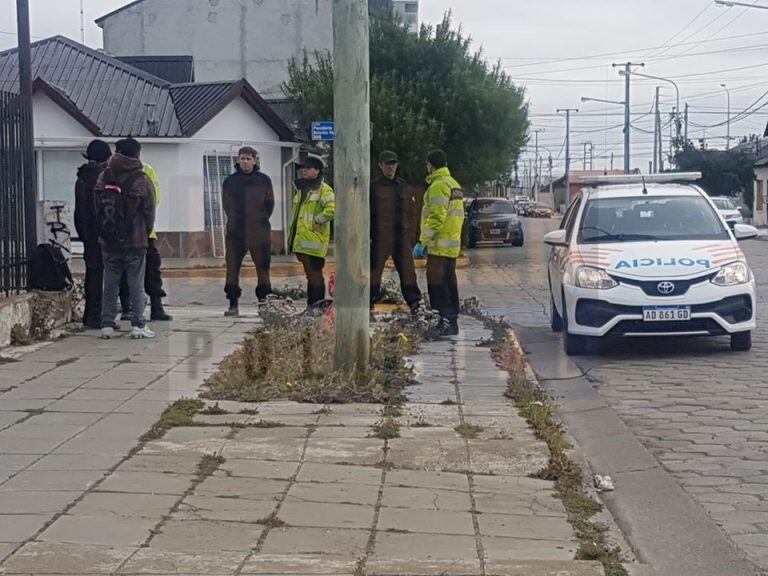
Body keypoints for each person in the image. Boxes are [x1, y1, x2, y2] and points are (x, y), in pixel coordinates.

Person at [94, 137, 156, 339]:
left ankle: (107, 324)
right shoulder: (142, 178)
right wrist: (144, 233)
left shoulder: (104, 176)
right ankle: (138, 325)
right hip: (135, 241)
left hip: (109, 240)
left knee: (110, 282)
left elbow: (97, 208)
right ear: (137, 154)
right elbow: (149, 212)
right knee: (136, 283)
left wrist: (104, 230)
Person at [116, 143, 172, 322]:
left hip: (133, 232)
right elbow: (152, 201)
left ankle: (153, 307)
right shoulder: (113, 172)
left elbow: (155, 198)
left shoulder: (145, 170)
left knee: (147, 270)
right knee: (135, 270)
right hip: (141, 231)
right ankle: (132, 308)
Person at [413, 149, 464, 336]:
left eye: (427, 165)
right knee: (449, 283)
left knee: (437, 284)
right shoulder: (454, 184)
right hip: (451, 245)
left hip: (439, 245)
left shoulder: (438, 186)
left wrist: (423, 241)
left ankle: (444, 321)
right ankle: (452, 320)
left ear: (430, 166)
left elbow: (436, 217)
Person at [222, 146, 275, 317]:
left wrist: (258, 220)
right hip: (236, 232)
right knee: (232, 268)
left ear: (254, 160)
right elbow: (226, 205)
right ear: (237, 160)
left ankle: (264, 303)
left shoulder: (264, 180)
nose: (245, 161)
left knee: (263, 268)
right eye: (242, 158)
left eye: (248, 158)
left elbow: (270, 204)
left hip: (259, 232)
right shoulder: (230, 181)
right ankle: (233, 304)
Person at [370, 150, 421, 314]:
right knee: (374, 272)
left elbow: (413, 213)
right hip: (381, 237)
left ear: (397, 165)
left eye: (393, 164)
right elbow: (368, 213)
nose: (390, 167)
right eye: (387, 164)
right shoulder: (374, 188)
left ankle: (415, 304)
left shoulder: (403, 186)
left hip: (401, 237)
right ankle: (369, 303)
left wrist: (413, 236)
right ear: (380, 166)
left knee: (408, 272)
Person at [287, 154, 335, 307]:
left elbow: (332, 209)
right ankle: (312, 307)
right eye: (302, 168)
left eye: (307, 168)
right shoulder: (302, 190)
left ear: (317, 170)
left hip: (314, 241)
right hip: (302, 241)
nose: (303, 171)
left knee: (315, 277)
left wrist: (317, 220)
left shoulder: (324, 190)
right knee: (311, 276)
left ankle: (317, 307)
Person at [74, 140, 112, 329]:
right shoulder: (101, 178)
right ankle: (99, 316)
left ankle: (90, 315)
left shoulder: (81, 177)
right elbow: (104, 207)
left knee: (92, 273)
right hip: (100, 232)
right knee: (103, 275)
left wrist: (82, 231)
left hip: (86, 232)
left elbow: (78, 209)